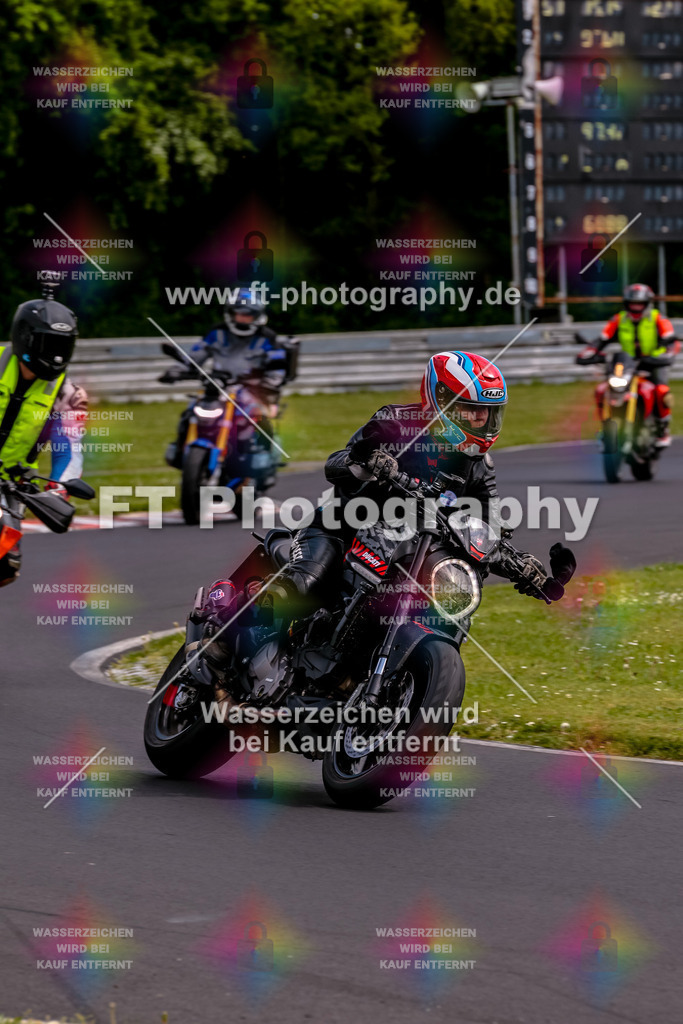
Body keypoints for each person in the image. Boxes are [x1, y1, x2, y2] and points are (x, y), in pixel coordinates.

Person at [253, 350, 566, 618]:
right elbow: (336, 463)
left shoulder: (479, 466)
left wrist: (523, 568)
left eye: (487, 412)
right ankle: (226, 639)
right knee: (303, 585)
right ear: (442, 400)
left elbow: (489, 527)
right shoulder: (395, 423)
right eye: (472, 409)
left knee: (447, 608)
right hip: (345, 528)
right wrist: (367, 464)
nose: (480, 420)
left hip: (414, 553)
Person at [0, 280, 87, 586]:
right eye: (49, 345)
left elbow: (70, 447)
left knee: (5, 564)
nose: (57, 355)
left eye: (64, 346)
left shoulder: (70, 394)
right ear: (25, 338)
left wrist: (59, 486)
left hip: (11, 484)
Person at [165, 289, 298, 468]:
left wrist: (272, 380)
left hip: (252, 390)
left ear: (256, 315)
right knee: (190, 414)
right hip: (218, 387)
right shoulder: (216, 332)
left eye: (247, 315)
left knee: (261, 418)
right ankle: (180, 454)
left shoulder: (267, 337)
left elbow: (278, 365)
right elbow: (196, 356)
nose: (242, 318)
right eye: (238, 313)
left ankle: (266, 461)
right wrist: (178, 370)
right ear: (230, 313)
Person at [578, 283, 677, 446]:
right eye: (632, 304)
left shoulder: (658, 318)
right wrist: (589, 352)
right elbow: (603, 338)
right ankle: (606, 427)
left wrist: (668, 352)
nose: (635, 308)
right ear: (626, 304)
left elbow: (670, 339)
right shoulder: (619, 319)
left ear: (647, 304)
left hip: (654, 362)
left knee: (661, 391)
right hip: (627, 363)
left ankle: (662, 428)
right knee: (602, 390)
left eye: (639, 304)